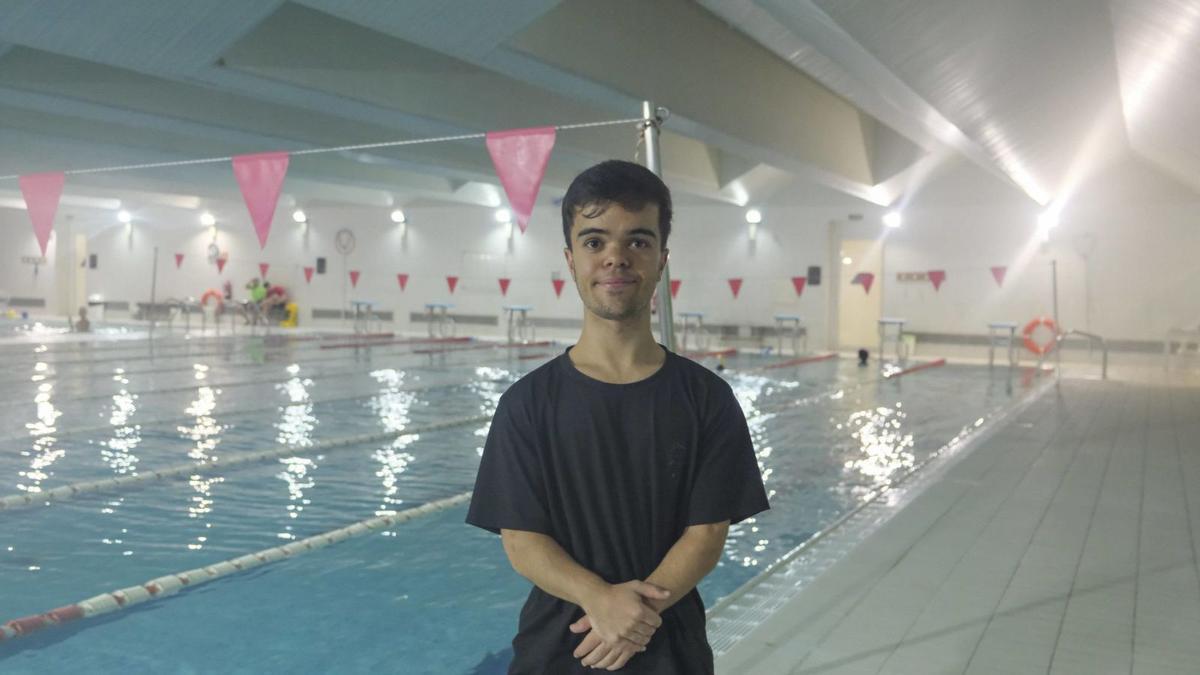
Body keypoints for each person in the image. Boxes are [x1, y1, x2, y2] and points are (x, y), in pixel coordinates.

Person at [466, 160, 769, 673]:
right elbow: (521, 540)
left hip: (669, 653)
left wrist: (632, 617)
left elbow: (706, 535)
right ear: (570, 259)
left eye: (638, 241)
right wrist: (599, 599)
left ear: (661, 258)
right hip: (556, 653)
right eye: (594, 241)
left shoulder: (707, 399)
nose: (616, 257)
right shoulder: (526, 404)